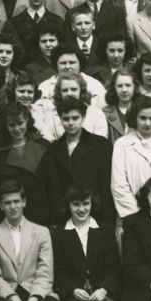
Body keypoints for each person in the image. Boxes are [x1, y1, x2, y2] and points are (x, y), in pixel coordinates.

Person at [42, 97, 115, 226]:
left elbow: (106, 186)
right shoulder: (53, 149)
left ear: (83, 116)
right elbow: (52, 187)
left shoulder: (101, 145)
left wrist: (107, 222)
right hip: (65, 215)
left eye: (75, 118)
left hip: (94, 213)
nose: (70, 123)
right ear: (60, 118)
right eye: (66, 119)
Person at [0, 103, 49, 227]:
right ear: (5, 126)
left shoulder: (44, 147)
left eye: (20, 123)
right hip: (11, 220)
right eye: (11, 125)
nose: (17, 129)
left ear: (27, 121)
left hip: (41, 219)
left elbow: (53, 187)